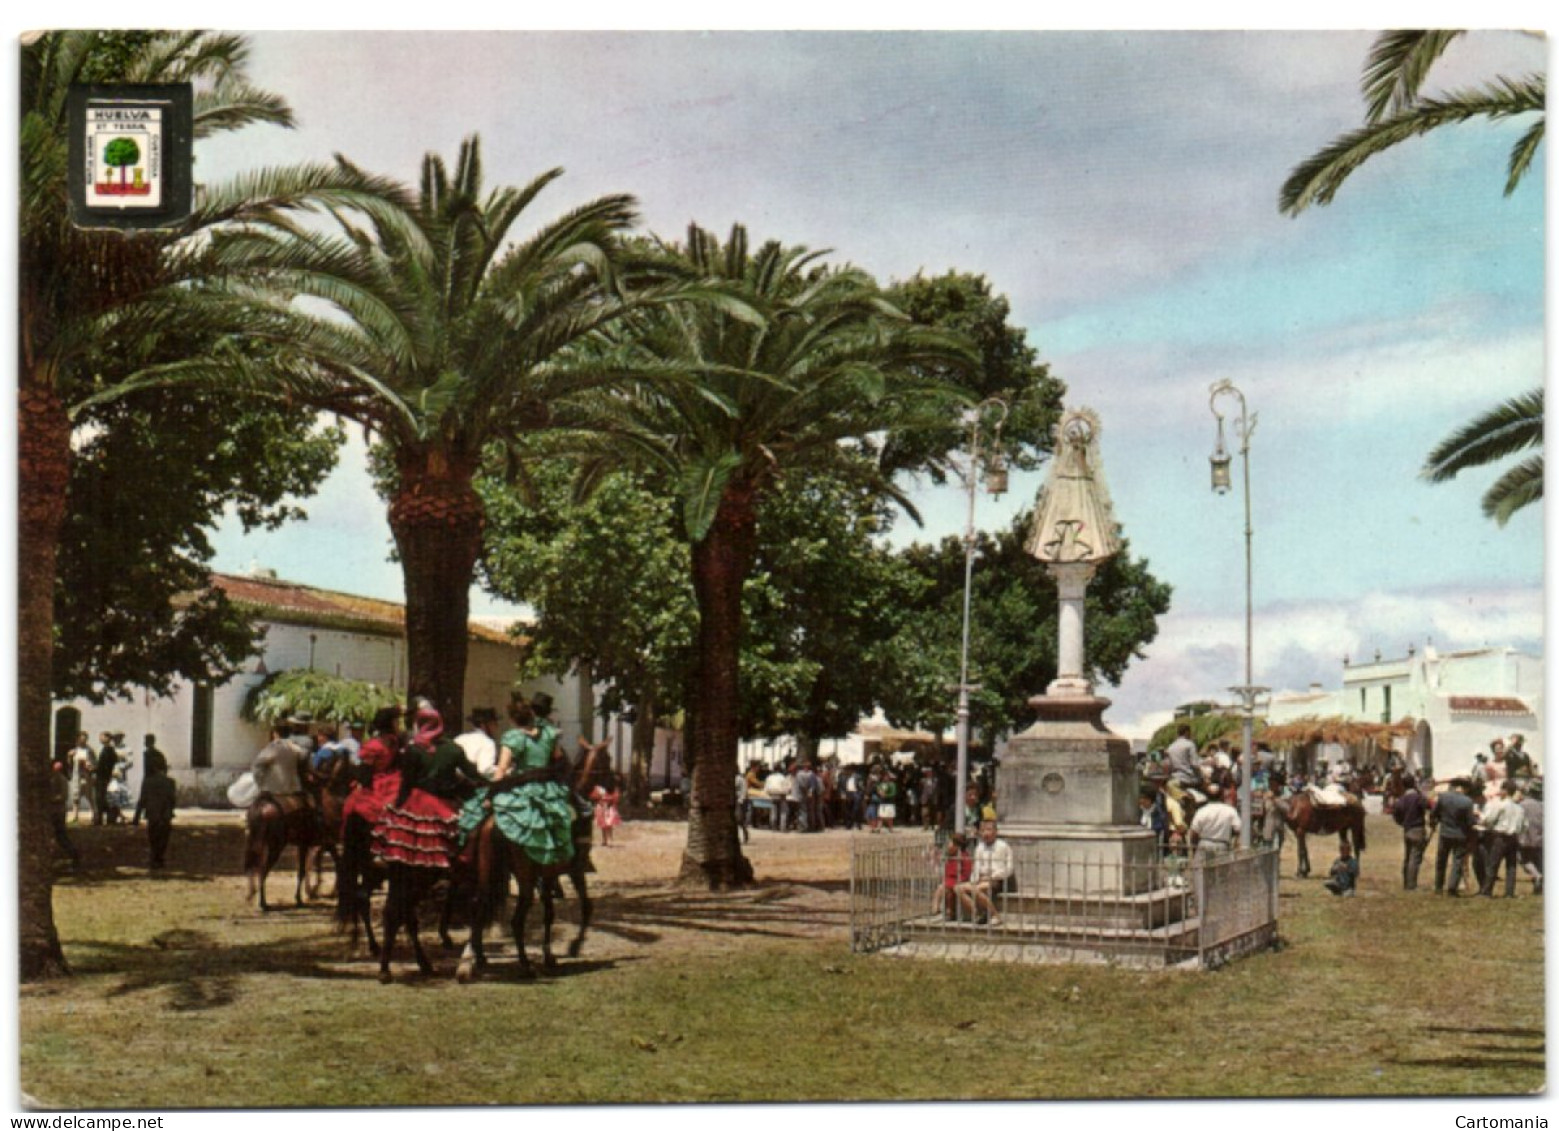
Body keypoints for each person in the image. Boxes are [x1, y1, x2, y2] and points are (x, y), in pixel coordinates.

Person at [456, 698, 577, 867]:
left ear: (512, 719)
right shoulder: (549, 734)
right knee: (565, 816)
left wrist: (490, 795)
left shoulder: (512, 737)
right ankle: (567, 860)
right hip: (547, 789)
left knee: (478, 813)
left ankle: (469, 850)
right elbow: (559, 760)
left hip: (520, 788)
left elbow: (501, 770)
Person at [375, 704, 485, 871]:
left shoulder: (413, 749)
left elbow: (407, 784)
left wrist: (397, 808)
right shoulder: (453, 749)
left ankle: (382, 859)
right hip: (443, 805)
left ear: (419, 724)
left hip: (415, 803)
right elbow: (474, 774)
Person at [340, 705, 405, 834]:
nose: (399, 725)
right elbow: (366, 773)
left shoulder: (391, 741)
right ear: (389, 724)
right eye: (397, 722)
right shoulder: (378, 745)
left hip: (386, 780)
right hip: (382, 782)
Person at [956, 819, 1013, 926]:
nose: (985, 833)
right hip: (980, 879)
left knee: (977, 889)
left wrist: (992, 876)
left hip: (996, 879)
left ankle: (994, 915)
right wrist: (974, 879)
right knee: (959, 888)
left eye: (989, 830)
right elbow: (976, 866)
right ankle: (978, 913)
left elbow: (1009, 868)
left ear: (995, 831)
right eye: (983, 830)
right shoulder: (980, 847)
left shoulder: (1003, 846)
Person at [1478, 781, 1526, 898]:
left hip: (1500, 837)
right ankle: (1509, 892)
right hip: (1514, 837)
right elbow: (1525, 826)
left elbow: (1489, 819)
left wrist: (1481, 818)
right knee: (1511, 866)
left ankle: (1486, 891)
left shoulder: (1501, 805)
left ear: (1505, 790)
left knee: (1493, 864)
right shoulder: (1520, 808)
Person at [1432, 777, 1478, 896]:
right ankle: (1452, 887)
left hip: (1445, 833)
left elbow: (1434, 814)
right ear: (1464, 788)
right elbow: (1470, 822)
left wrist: (1434, 823)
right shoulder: (1467, 801)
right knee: (1457, 861)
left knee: (1441, 860)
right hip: (1460, 835)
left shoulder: (1443, 797)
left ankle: (1438, 886)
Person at [1390, 774, 1430, 890]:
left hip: (1407, 830)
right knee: (1415, 858)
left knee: (1407, 857)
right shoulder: (1417, 797)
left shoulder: (1401, 800)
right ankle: (1412, 885)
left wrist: (1402, 823)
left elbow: (1396, 814)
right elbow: (1428, 805)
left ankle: (1406, 883)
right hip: (1417, 829)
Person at [138, 760, 177, 869]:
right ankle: (160, 856)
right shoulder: (170, 782)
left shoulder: (147, 782)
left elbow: (142, 799)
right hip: (165, 814)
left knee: (153, 836)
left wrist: (137, 816)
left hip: (152, 813)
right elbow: (172, 799)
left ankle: (154, 855)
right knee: (164, 837)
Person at [1188, 783, 1241, 856]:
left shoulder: (1201, 811)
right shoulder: (1230, 811)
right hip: (1222, 846)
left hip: (1204, 845)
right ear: (1222, 795)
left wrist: (1194, 849)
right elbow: (1238, 829)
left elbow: (1194, 832)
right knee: (1221, 867)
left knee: (1202, 867)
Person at [49, 762, 81, 871]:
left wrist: (50, 799)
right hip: (52, 812)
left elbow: (63, 796)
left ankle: (75, 857)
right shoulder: (51, 779)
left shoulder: (61, 780)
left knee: (61, 837)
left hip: (57, 812)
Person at [934, 832, 973, 920]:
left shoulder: (964, 857)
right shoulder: (951, 857)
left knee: (943, 888)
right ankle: (939, 910)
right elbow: (947, 872)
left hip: (959, 880)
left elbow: (966, 873)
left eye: (950, 843)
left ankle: (939, 910)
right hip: (950, 880)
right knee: (944, 890)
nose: (948, 845)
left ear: (957, 846)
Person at [456, 708, 501, 780]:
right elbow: (485, 769)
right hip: (470, 784)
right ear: (484, 725)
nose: (496, 727)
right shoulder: (487, 742)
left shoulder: (460, 738)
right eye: (494, 724)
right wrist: (502, 769)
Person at [1515, 783, 1543, 894]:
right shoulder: (1543, 804)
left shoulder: (1522, 805)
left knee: (1524, 859)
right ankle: (1539, 882)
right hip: (1540, 837)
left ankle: (1537, 876)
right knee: (1538, 860)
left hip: (1525, 837)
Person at [67, 732, 95, 824]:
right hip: (76, 776)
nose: (83, 741)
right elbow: (70, 764)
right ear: (78, 740)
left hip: (86, 776)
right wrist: (69, 757)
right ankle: (75, 816)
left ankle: (94, 814)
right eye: (81, 739)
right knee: (76, 796)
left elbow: (94, 763)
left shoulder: (90, 750)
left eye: (85, 739)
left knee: (89, 796)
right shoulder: (74, 750)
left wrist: (89, 765)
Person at [92, 732, 119, 826]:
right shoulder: (106, 749)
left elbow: (104, 765)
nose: (100, 738)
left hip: (103, 778)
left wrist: (94, 769)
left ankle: (102, 819)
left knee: (101, 798)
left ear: (107, 738)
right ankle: (104, 818)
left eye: (102, 737)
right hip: (103, 777)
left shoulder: (108, 750)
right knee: (101, 799)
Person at [593, 769, 622, 847]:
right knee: (605, 824)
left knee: (608, 824)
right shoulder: (600, 788)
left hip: (607, 806)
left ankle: (608, 839)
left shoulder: (612, 788)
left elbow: (616, 797)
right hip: (604, 806)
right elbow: (595, 796)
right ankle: (606, 840)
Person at [1165, 725, 1199, 790]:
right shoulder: (1190, 744)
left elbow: (1168, 766)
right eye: (1190, 733)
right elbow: (1195, 765)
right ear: (1187, 732)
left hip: (1174, 777)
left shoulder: (1170, 747)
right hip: (1188, 778)